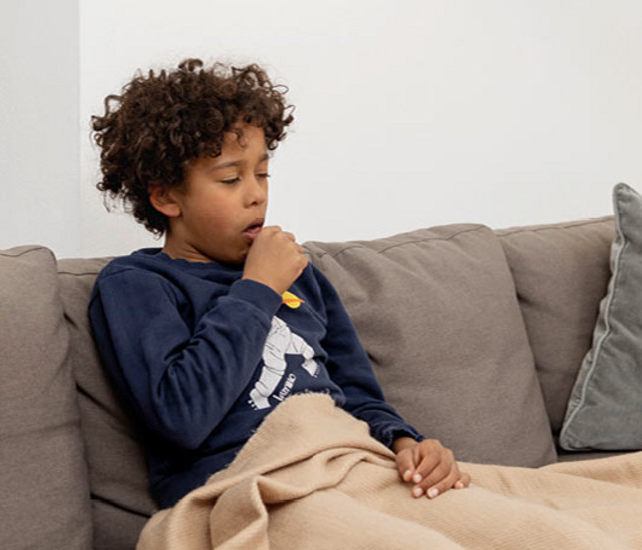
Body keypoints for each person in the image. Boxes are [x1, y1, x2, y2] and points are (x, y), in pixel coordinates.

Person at [88, 58, 469, 509]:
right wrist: (258, 289)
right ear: (166, 196)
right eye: (230, 178)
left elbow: (357, 396)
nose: (257, 194)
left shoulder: (298, 271)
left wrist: (406, 443)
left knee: (503, 519)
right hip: (245, 490)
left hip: (344, 465)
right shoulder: (138, 285)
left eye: (262, 173)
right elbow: (182, 417)